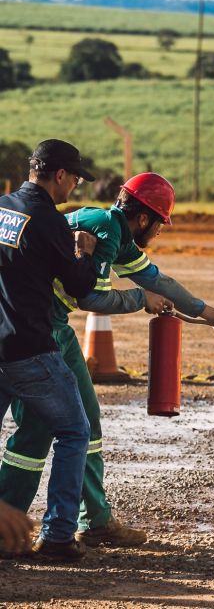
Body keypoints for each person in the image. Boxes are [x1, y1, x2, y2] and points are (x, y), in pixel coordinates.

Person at [0, 172, 214, 549]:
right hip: (40, 330)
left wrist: (210, 314)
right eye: (160, 223)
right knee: (50, 429)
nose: (160, 231)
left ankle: (92, 519)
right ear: (144, 218)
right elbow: (91, 298)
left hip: (39, 326)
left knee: (81, 421)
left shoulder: (114, 231)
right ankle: (31, 525)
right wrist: (139, 300)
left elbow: (161, 281)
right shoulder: (105, 229)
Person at [0, 138, 98, 561]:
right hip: (29, 351)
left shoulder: (2, 206)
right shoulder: (48, 220)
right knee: (75, 431)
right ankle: (59, 535)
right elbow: (79, 288)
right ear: (60, 175)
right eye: (75, 178)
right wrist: (86, 252)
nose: (75, 186)